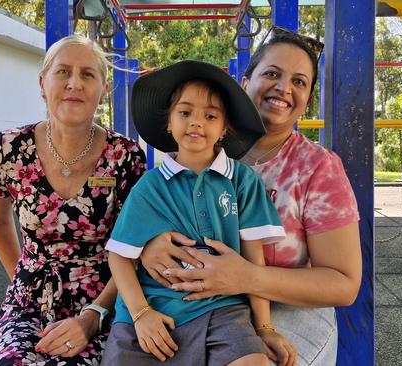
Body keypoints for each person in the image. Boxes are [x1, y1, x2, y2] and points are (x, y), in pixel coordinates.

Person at [141, 27, 362, 366]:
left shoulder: (317, 168)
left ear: (306, 100)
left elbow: (344, 284)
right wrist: (150, 245)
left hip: (287, 307)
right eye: (272, 73)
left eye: (299, 82)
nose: (284, 88)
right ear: (244, 84)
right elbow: (154, 216)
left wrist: (244, 277)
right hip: (202, 303)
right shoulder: (203, 151)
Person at [0, 35, 146, 366]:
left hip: (107, 297)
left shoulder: (125, 155)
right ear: (42, 83)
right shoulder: (8, 148)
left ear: (104, 89)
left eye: (88, 74)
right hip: (28, 299)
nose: (74, 84)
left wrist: (94, 315)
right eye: (63, 72)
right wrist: (21, 281)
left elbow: (134, 245)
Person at [101, 60, 286, 366]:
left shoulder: (242, 180)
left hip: (222, 310)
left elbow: (254, 258)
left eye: (210, 116)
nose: (196, 123)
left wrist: (264, 327)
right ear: (169, 123)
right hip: (152, 308)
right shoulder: (151, 186)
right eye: (185, 113)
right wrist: (141, 314)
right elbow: (119, 256)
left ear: (223, 127)